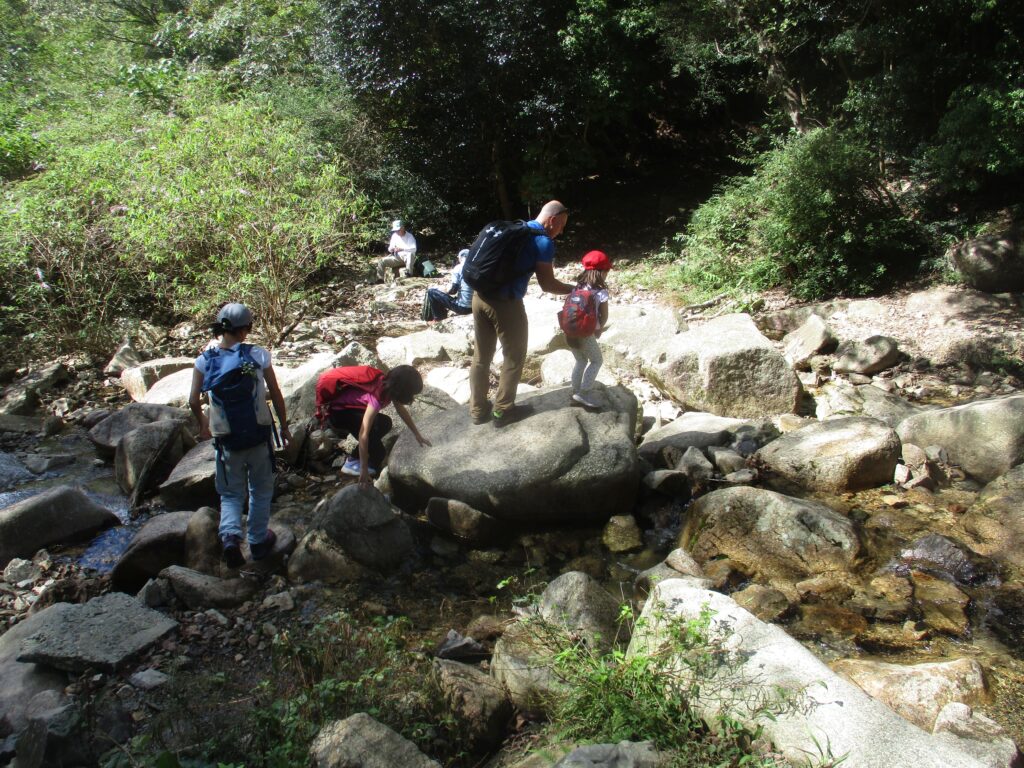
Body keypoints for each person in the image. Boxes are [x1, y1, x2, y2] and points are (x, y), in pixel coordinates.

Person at [188, 303, 291, 569]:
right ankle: (257, 541)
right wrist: (285, 425)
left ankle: (231, 538)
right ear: (244, 330)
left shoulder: (204, 360)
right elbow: (276, 393)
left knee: (231, 494)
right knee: (261, 489)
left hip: (227, 440)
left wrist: (203, 425)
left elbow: (192, 400)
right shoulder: (258, 355)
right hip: (258, 435)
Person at [469, 200, 574, 426]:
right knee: (514, 356)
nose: (561, 231)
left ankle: (478, 410)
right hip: (505, 304)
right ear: (552, 220)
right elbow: (548, 285)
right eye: (561, 225)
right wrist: (575, 290)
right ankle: (503, 411)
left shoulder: (514, 229)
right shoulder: (542, 242)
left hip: (479, 297)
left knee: (481, 357)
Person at [318, 365, 432, 487]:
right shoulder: (377, 395)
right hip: (338, 415)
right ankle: (351, 463)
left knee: (385, 423)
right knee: (379, 453)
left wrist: (417, 435)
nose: (412, 398)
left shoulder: (389, 387)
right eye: (411, 394)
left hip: (346, 411)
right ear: (403, 390)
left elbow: (401, 411)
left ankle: (357, 459)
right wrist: (363, 469)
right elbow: (363, 433)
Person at [565, 250, 612, 409]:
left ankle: (575, 391)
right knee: (597, 360)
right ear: (603, 272)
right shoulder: (600, 291)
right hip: (586, 333)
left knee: (580, 360)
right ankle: (584, 392)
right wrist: (598, 329)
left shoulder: (577, 287)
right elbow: (603, 316)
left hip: (570, 331)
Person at [425, 249, 473, 321]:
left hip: (463, 308)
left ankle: (438, 319)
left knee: (431, 292)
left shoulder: (458, 268)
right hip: (474, 307)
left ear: (459, 258)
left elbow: (454, 290)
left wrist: (444, 291)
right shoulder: (476, 267)